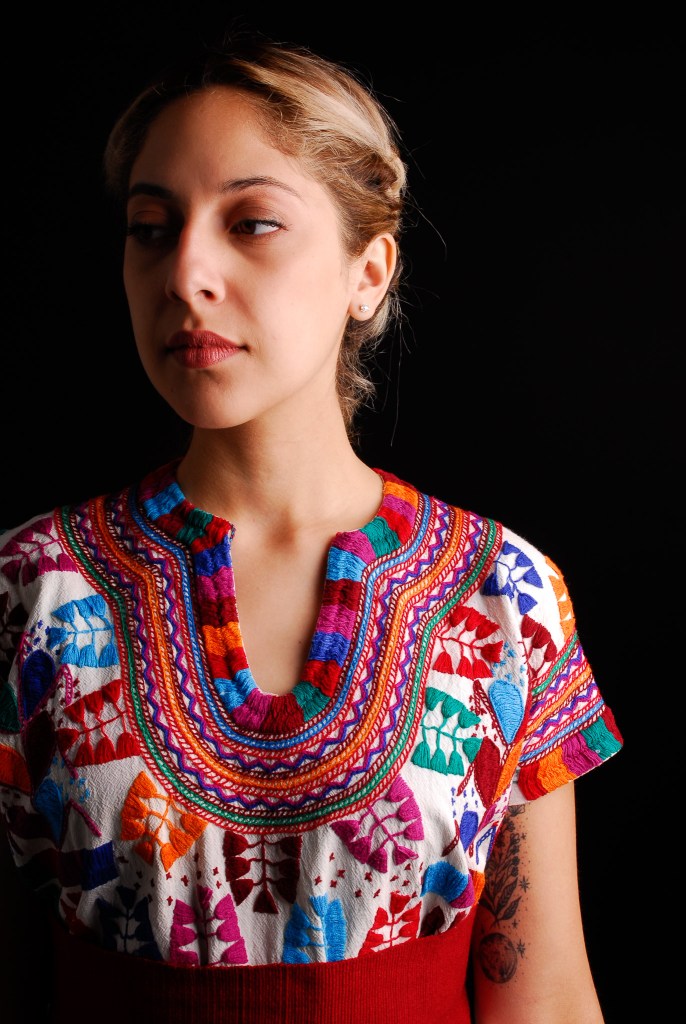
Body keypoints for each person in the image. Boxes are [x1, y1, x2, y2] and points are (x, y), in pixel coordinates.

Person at [0, 30, 623, 1024]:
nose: (185, 272)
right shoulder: (29, 589)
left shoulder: (503, 592)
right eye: (151, 228)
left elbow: (542, 994)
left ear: (367, 272)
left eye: (251, 223)